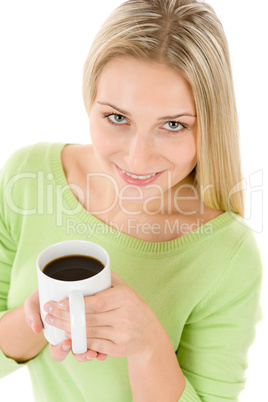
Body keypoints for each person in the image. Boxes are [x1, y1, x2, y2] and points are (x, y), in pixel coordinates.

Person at [0, 0, 263, 400]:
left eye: (173, 125)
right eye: (117, 118)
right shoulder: (28, 176)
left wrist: (146, 344)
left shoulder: (228, 255)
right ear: (90, 101)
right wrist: (39, 318)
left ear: (210, 124)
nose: (138, 159)